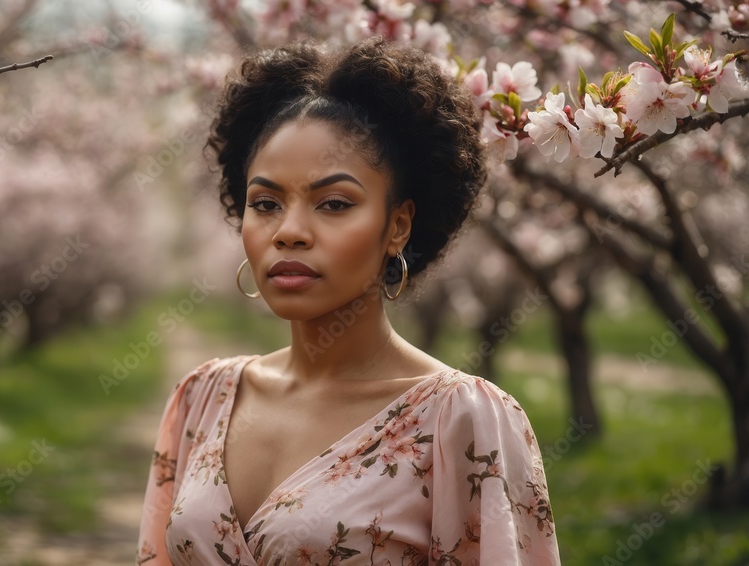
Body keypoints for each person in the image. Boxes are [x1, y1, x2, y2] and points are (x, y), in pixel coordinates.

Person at [136, 35, 560, 565]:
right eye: (265, 203)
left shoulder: (459, 422)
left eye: (333, 203)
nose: (288, 231)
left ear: (398, 225)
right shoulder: (203, 398)